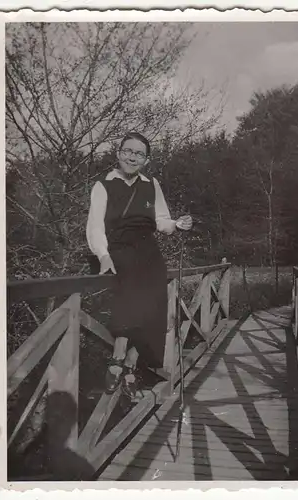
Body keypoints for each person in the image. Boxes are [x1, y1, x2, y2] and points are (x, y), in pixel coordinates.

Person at [86, 132, 192, 399]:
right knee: (133, 291)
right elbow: (95, 226)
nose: (132, 157)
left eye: (139, 154)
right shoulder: (103, 185)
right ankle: (118, 357)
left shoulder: (151, 184)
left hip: (148, 249)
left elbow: (162, 221)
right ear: (118, 153)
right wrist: (103, 256)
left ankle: (131, 364)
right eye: (128, 151)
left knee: (155, 302)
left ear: (146, 160)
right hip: (118, 249)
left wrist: (177, 224)